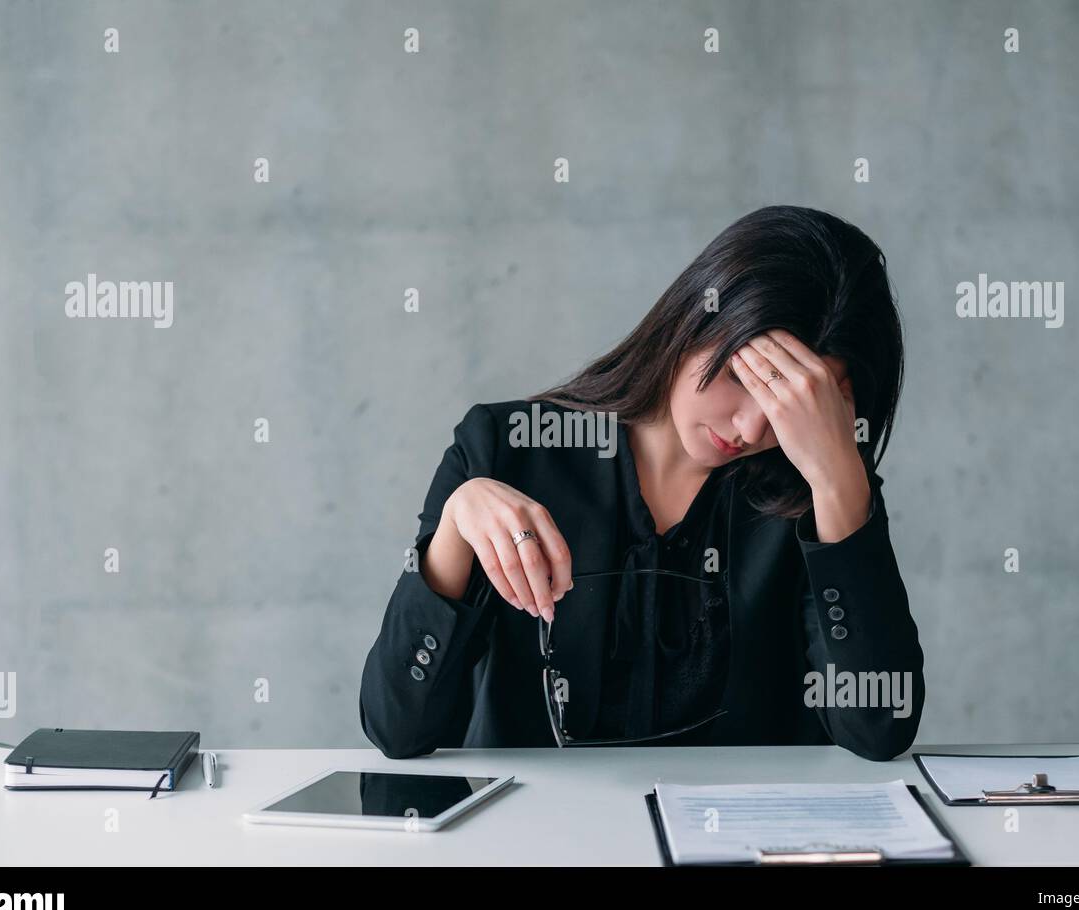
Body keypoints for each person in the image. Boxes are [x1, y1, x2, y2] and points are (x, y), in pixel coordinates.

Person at [359, 205, 924, 760]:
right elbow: (398, 729)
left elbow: (878, 729)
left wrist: (837, 481)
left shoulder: (819, 497)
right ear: (690, 323)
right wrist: (454, 533)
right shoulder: (507, 449)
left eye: (791, 404)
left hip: (741, 841)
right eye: (739, 378)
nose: (752, 427)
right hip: (539, 840)